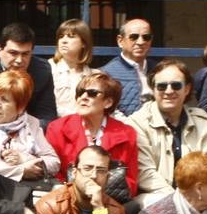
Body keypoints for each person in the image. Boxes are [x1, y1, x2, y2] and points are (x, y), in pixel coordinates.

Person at [128, 59, 207, 196]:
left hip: (196, 195)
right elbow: (145, 174)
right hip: (155, 196)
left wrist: (195, 196)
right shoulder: (137, 122)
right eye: (161, 86)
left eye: (176, 85)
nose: (169, 91)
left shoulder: (201, 120)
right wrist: (178, 200)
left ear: (187, 89)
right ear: (153, 90)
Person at [44, 70, 139, 198]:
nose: (83, 97)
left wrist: (101, 198)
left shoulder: (127, 133)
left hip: (111, 202)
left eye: (92, 93)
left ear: (108, 102)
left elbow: (130, 180)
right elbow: (54, 173)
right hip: (70, 200)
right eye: (80, 92)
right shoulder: (57, 128)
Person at [0, 70, 59, 183]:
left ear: (21, 107)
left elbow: (54, 163)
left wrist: (24, 158)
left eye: (4, 100)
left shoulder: (31, 123)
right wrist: (20, 171)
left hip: (26, 188)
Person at [0, 22, 58, 126]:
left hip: (29, 130)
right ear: (0, 50)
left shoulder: (42, 70)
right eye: (13, 53)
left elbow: (47, 115)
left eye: (25, 54)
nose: (19, 60)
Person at [98, 18, 155, 117]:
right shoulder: (105, 74)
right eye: (134, 37)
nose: (141, 42)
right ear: (120, 41)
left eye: (146, 37)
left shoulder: (160, 70)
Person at [49, 18, 94, 118]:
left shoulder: (91, 74)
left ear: (84, 43)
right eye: (61, 37)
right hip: (56, 127)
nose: (63, 41)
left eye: (71, 36)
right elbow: (47, 105)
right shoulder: (49, 68)